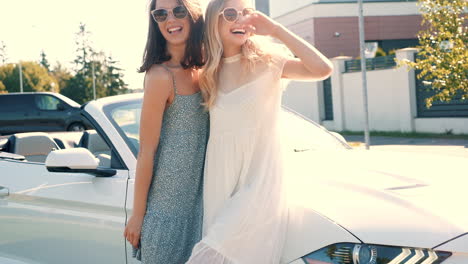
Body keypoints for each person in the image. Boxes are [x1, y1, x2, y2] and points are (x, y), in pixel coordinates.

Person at [186, 0, 333, 263]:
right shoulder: (207, 72)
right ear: (213, 23)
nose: (240, 20)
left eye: (246, 13)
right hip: (220, 180)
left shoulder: (268, 63)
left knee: (207, 256)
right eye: (230, 14)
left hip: (260, 181)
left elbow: (322, 69)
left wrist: (276, 29)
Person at [123, 0, 208, 263]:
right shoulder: (160, 76)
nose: (170, 20)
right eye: (161, 14)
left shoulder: (208, 70)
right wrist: (138, 216)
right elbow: (146, 150)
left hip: (201, 210)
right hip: (165, 214)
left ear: (193, 15)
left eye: (178, 11)